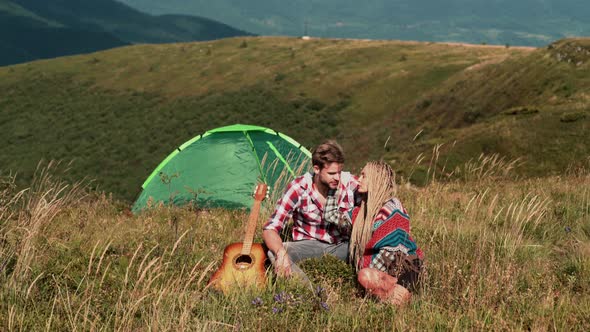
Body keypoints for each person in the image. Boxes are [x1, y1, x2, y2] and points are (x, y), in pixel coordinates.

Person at [262, 140, 359, 283]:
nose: (337, 178)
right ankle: (310, 293)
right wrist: (281, 253)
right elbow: (270, 228)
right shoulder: (298, 188)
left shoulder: (350, 183)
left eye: (339, 172)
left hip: (342, 246)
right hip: (308, 246)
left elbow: (377, 199)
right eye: (332, 173)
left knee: (367, 249)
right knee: (274, 252)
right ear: (316, 169)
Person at [346, 161, 424, 306]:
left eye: (364, 176)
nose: (359, 179)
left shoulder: (392, 207)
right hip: (384, 272)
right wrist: (336, 187)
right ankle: (390, 301)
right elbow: (335, 218)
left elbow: (394, 251)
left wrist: (365, 268)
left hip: (405, 270)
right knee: (365, 276)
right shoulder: (364, 210)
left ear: (376, 179)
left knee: (366, 276)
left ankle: (401, 297)